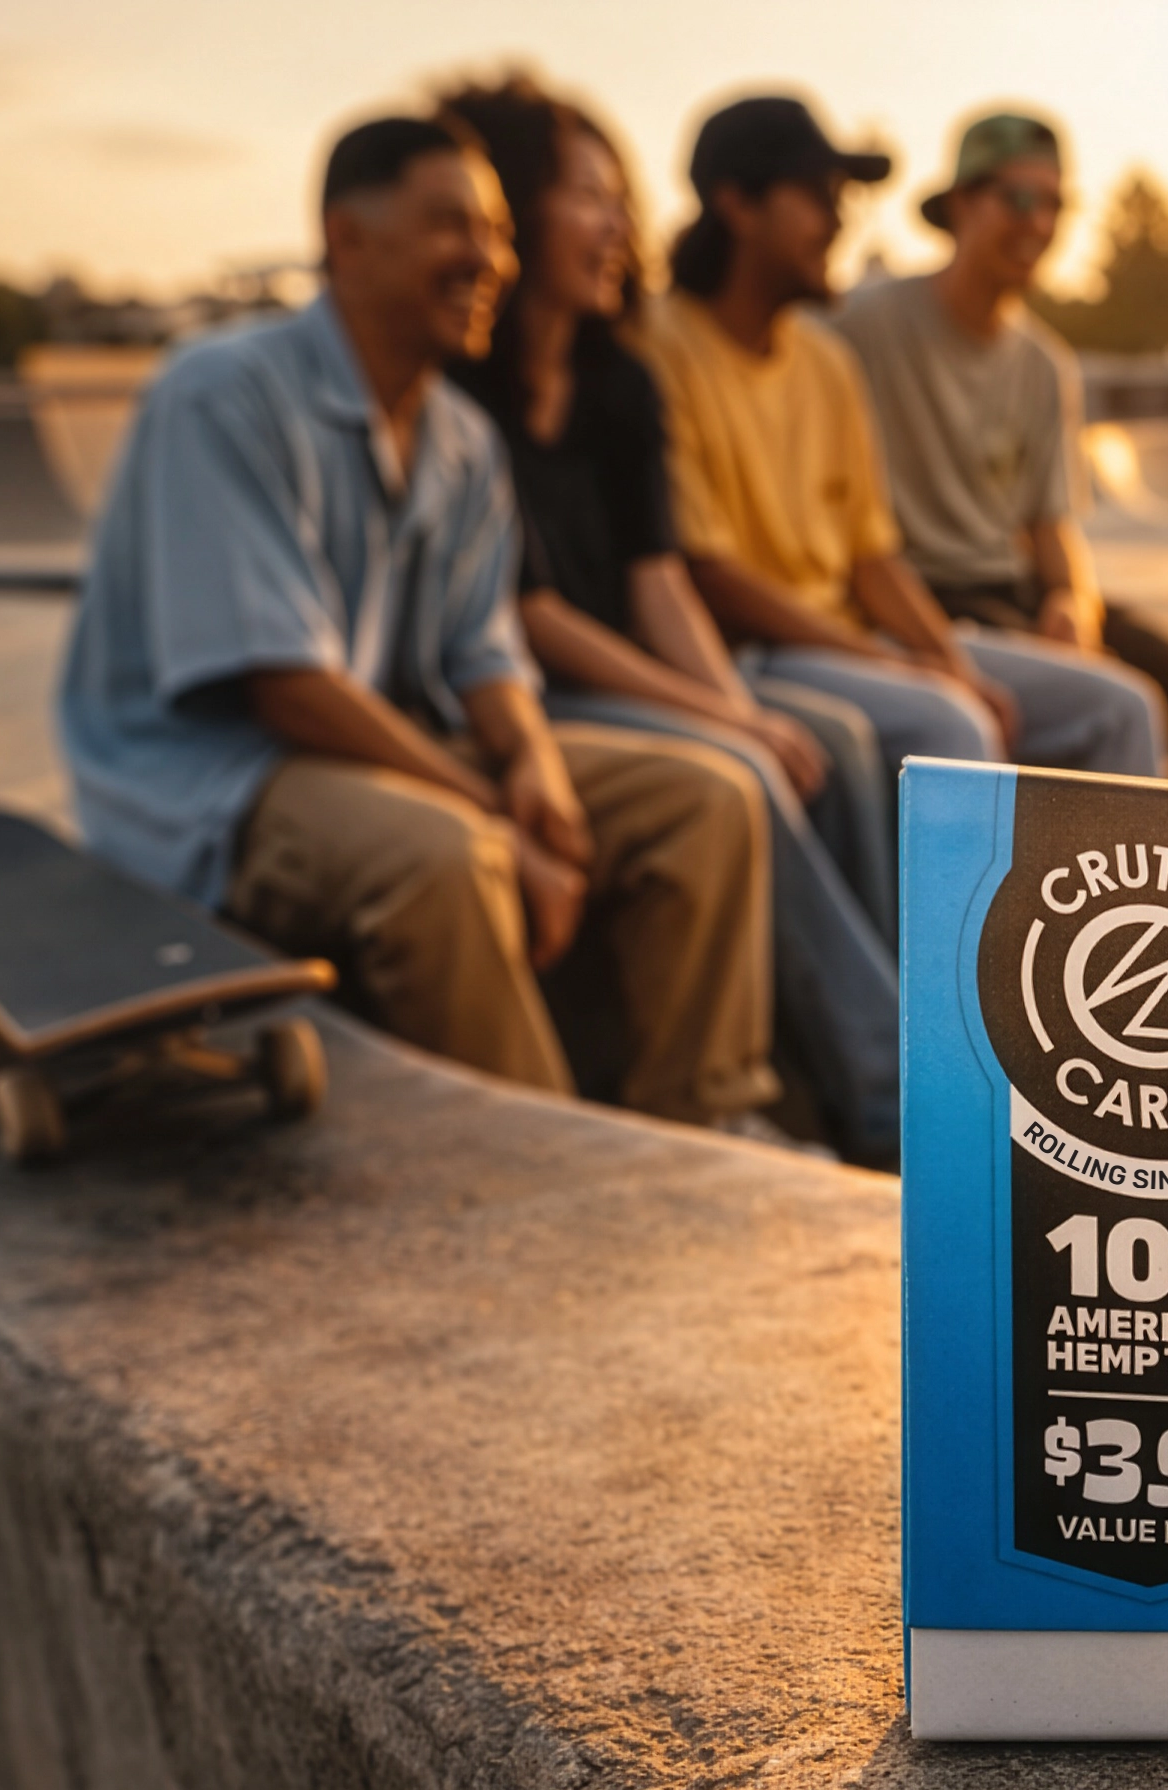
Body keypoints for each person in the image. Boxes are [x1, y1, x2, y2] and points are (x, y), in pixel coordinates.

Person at [57, 114, 778, 1131]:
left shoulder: (458, 439)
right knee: (441, 856)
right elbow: (288, 687)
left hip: (383, 748)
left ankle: (702, 1124)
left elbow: (485, 652)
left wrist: (531, 765)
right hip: (217, 783)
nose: (489, 258)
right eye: (450, 226)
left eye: (495, 231)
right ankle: (553, 1172)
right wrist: (487, 809)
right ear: (346, 241)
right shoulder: (223, 396)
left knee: (708, 794)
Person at [436, 74, 902, 1167]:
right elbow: (531, 613)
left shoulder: (617, 382)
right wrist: (715, 716)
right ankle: (888, 1089)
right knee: (733, 767)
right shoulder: (468, 395)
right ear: (513, 209)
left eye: (619, 199)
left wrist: (737, 706)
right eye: (588, 197)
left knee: (819, 739)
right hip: (540, 684)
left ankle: (859, 1039)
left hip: (627, 669)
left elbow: (659, 583)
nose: (618, 226)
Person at [639, 93, 1168, 849]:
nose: (840, 221)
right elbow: (709, 573)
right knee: (946, 725)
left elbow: (873, 556)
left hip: (858, 635)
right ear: (738, 204)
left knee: (1124, 707)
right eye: (820, 198)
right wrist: (924, 674)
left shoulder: (824, 362)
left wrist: (950, 660)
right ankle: (956, 967)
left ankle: (1116, 937)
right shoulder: (662, 350)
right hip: (752, 652)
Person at [838, 109, 1168, 787]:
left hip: (1011, 590)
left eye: (1056, 205)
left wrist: (1073, 605)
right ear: (960, 204)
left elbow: (1052, 523)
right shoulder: (864, 328)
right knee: (1120, 710)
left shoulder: (1044, 363)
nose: (1038, 224)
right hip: (916, 597)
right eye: (1017, 199)